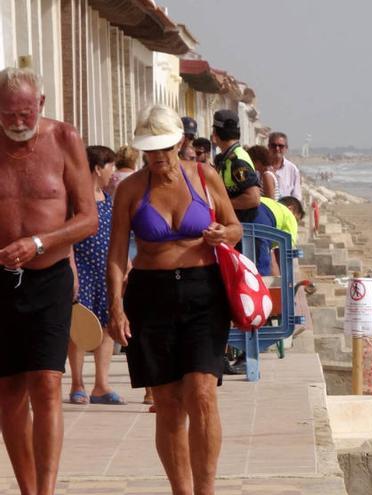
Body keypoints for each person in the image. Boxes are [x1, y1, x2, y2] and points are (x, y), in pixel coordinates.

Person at [107, 104, 241, 494]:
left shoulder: (205, 176)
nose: (159, 157)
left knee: (202, 393)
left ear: (180, 142)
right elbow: (118, 254)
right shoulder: (131, 189)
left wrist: (223, 234)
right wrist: (115, 305)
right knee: (167, 404)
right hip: (150, 295)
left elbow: (234, 227)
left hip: (204, 292)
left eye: (165, 148)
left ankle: (206, 490)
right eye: (150, 150)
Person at [0, 67, 98, 495]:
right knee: (8, 389)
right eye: (8, 115)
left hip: (49, 276)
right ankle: (25, 488)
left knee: (47, 381)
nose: (18, 123)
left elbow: (88, 218)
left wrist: (39, 242)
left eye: (25, 113)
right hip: (1, 279)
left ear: (40, 105)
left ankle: (46, 490)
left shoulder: (64, 139)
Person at [68, 146, 125, 406]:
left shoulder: (107, 197)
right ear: (97, 168)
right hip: (82, 269)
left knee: (107, 327)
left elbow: (115, 234)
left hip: (105, 269)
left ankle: (101, 385)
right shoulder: (75, 200)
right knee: (80, 328)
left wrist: (127, 263)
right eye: (110, 166)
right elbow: (67, 236)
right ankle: (77, 383)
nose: (113, 172)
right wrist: (72, 270)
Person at [210, 109, 261, 223]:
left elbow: (253, 198)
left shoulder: (237, 161)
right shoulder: (226, 158)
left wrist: (222, 205)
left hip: (244, 227)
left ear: (215, 134)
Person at [267, 131, 301, 201]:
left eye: (280, 146)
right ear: (268, 147)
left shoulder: (293, 170)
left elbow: (296, 198)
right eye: (273, 145)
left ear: (286, 148)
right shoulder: (261, 167)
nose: (277, 148)